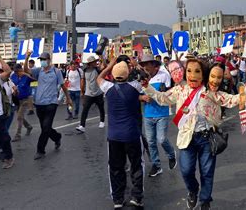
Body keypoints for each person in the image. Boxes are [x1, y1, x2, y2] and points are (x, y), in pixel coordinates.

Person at [143, 59, 246, 210]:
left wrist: (244, 93)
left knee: (207, 172)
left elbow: (229, 99)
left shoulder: (209, 91)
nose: (192, 75)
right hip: (187, 138)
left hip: (207, 138)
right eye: (189, 71)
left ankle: (205, 200)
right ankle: (193, 190)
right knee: (186, 170)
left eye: (197, 71)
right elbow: (163, 98)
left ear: (203, 73)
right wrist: (147, 88)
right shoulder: (180, 90)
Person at [96, 58, 151, 209]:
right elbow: (147, 77)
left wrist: (111, 64)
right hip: (132, 134)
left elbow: (99, 77)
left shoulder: (108, 88)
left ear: (113, 75)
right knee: (137, 166)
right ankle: (137, 197)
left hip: (114, 136)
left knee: (115, 167)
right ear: (128, 74)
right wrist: (134, 63)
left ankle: (118, 199)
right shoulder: (135, 86)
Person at [23, 51, 73, 160]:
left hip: (51, 103)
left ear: (49, 60)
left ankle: (40, 150)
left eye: (44, 59)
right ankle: (57, 137)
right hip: (39, 104)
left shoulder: (56, 72)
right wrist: (27, 58)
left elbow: (63, 86)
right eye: (40, 60)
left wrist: (68, 98)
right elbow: (26, 70)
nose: (42, 62)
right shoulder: (38, 71)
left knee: (45, 128)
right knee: (45, 128)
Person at [139, 54, 176, 177]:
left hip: (162, 113)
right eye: (143, 65)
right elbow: (137, 95)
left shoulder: (164, 76)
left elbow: (169, 93)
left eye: (147, 64)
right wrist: (143, 97)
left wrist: (158, 94)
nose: (145, 67)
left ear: (154, 65)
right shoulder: (142, 78)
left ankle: (171, 155)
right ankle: (156, 165)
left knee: (162, 139)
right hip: (148, 114)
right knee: (151, 142)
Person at [75, 56, 105, 133]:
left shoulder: (97, 70)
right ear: (90, 63)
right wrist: (82, 92)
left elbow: (104, 66)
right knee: (85, 110)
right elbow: (82, 81)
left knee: (101, 108)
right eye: (94, 62)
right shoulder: (85, 71)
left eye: (96, 62)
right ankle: (82, 126)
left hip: (98, 93)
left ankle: (102, 121)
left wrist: (102, 57)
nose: (96, 63)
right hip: (88, 94)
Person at [10, 63, 34, 141]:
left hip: (25, 99)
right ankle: (28, 126)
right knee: (20, 117)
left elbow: (35, 80)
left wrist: (26, 74)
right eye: (15, 71)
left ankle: (18, 134)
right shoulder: (13, 76)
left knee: (19, 116)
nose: (17, 73)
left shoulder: (26, 77)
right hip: (16, 99)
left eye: (18, 71)